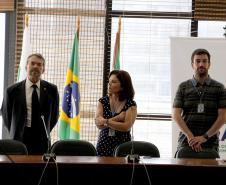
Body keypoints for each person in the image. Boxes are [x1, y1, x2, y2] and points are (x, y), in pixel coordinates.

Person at [1, 53, 59, 155]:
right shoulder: (12, 91)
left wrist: (45, 130)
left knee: (40, 169)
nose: (35, 66)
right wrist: (17, 129)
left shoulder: (52, 90)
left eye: (39, 64)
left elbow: (54, 116)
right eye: (32, 63)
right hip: (19, 139)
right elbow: (6, 116)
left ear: (43, 69)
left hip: (42, 140)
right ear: (26, 66)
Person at [172, 48, 226, 158]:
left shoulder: (219, 88)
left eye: (204, 61)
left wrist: (204, 137)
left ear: (209, 64)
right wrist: (190, 136)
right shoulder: (183, 87)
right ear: (192, 64)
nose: (201, 64)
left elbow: (223, 117)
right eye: (197, 61)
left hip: (210, 143)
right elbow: (176, 115)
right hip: (186, 142)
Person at [95, 70, 137, 156]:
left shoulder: (130, 104)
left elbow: (126, 127)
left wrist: (105, 122)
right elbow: (98, 124)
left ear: (122, 86)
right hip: (103, 145)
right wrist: (117, 118)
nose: (109, 84)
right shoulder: (103, 101)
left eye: (113, 82)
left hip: (123, 147)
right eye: (109, 81)